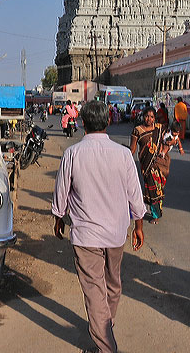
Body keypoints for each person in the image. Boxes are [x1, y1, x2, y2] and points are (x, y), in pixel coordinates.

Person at [52, 100, 146, 353]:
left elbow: (62, 191)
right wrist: (138, 225)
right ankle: (105, 336)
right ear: (108, 121)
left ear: (83, 123)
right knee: (112, 286)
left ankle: (105, 340)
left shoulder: (73, 154)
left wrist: (59, 217)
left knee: (96, 291)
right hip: (115, 233)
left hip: (86, 235)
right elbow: (135, 194)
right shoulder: (123, 154)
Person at [129, 107, 171, 223]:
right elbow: (132, 149)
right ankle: (155, 214)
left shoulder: (159, 128)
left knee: (158, 188)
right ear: (143, 116)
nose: (149, 119)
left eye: (152, 117)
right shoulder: (137, 130)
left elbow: (168, 142)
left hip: (159, 164)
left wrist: (163, 152)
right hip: (146, 164)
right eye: (147, 116)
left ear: (154, 118)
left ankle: (157, 212)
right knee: (152, 188)